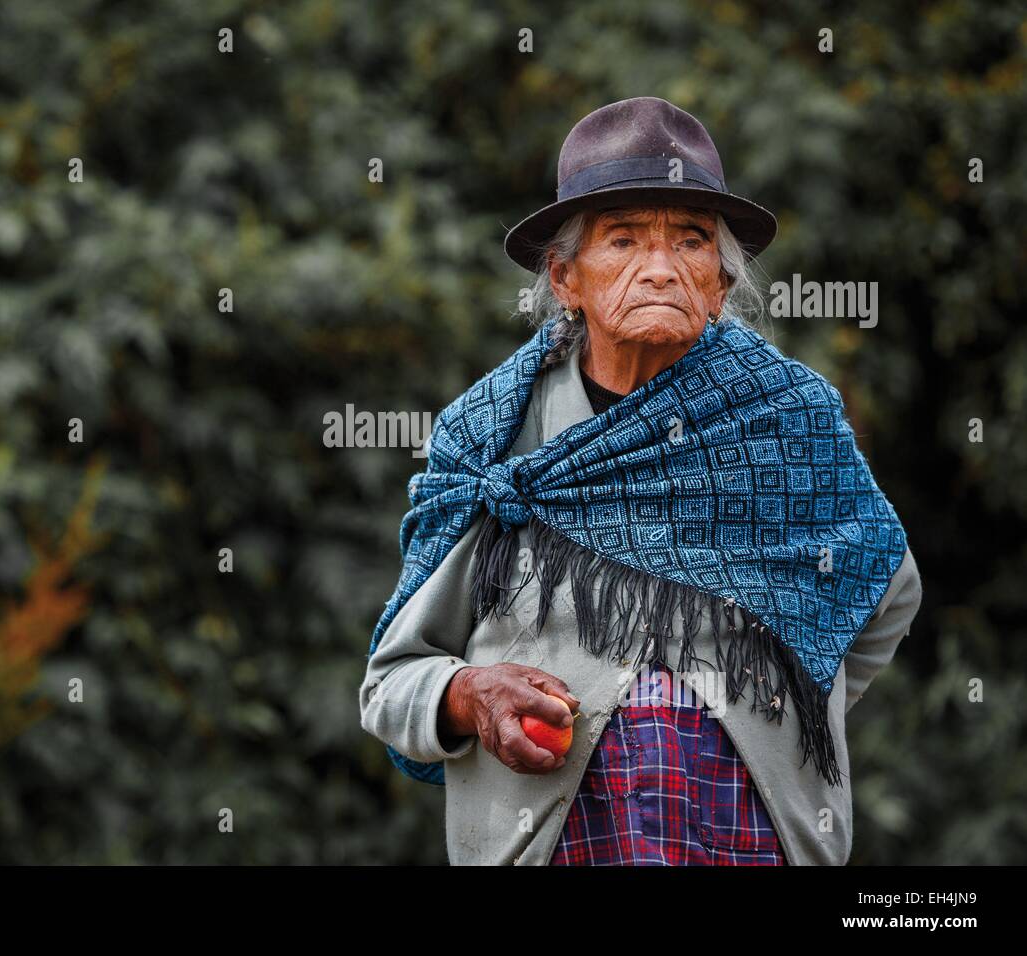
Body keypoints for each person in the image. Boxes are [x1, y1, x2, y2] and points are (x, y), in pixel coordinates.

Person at [358, 96, 922, 865]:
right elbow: (393, 681)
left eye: (689, 242)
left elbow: (885, 592)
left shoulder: (787, 423)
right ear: (565, 278)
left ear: (720, 284)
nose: (660, 269)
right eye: (622, 241)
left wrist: (781, 713)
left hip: (750, 843)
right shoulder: (494, 441)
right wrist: (469, 696)